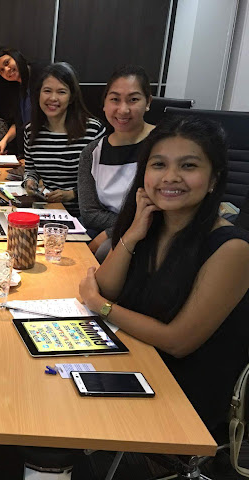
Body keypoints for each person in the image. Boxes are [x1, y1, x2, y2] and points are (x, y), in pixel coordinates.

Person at [79, 115, 249, 440]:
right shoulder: (151, 226)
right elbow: (107, 287)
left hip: (182, 393)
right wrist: (132, 234)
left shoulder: (232, 248)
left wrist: (100, 306)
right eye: (158, 164)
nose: (170, 177)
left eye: (188, 166)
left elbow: (177, 342)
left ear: (213, 180)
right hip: (137, 358)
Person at [78, 65, 155, 260]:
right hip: (110, 230)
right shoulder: (92, 152)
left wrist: (110, 233)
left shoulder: (163, 145)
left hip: (154, 234)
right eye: (115, 99)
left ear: (148, 102)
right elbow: (90, 213)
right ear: (104, 103)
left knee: (105, 252)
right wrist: (113, 230)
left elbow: (163, 209)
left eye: (133, 100)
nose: (123, 109)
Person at [23, 63, 106, 217]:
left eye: (61, 92)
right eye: (47, 91)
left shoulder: (92, 130)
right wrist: (30, 181)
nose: (53, 98)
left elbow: (104, 180)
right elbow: (31, 169)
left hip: (85, 215)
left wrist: (71, 194)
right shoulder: (31, 130)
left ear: (71, 97)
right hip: (50, 209)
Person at [0, 47, 46, 156]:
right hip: (27, 151)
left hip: (45, 147)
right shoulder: (15, 89)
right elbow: (19, 123)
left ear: (16, 57)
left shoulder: (42, 75)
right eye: (1, 70)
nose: (7, 70)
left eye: (7, 63)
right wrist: (4, 141)